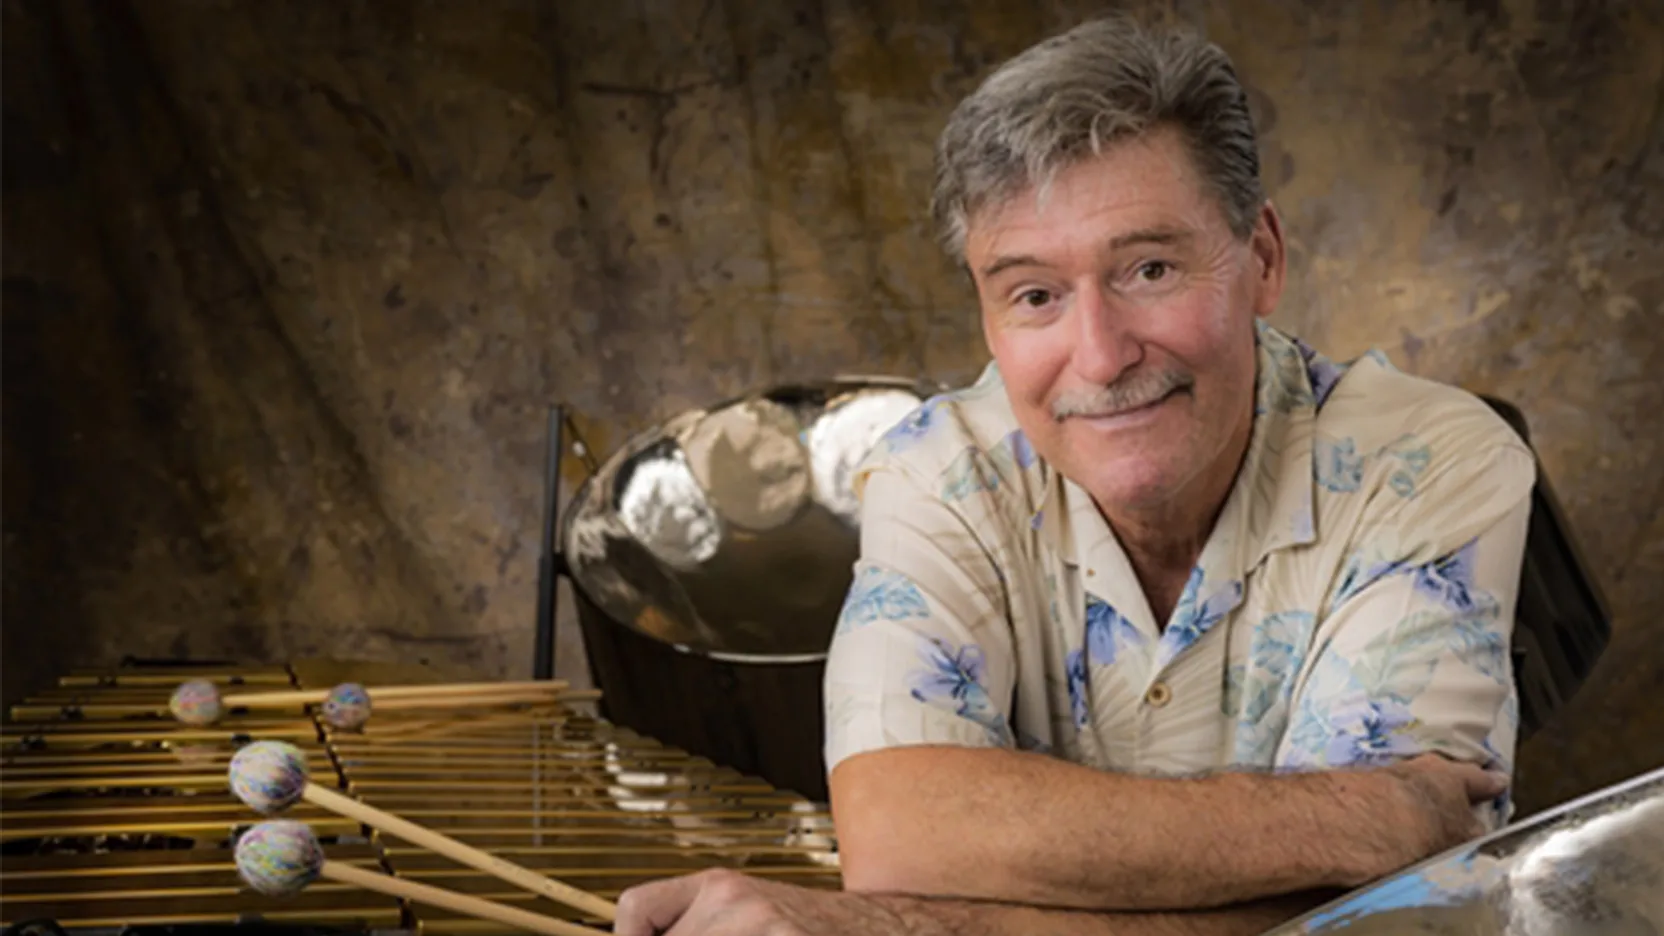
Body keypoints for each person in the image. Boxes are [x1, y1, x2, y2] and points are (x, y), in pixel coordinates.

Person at [615, 14, 1532, 935]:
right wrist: (1358, 817)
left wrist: (899, 927)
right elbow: (899, 838)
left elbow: (1387, 921)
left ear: (1261, 259)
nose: (1098, 357)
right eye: (1036, 296)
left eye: (1150, 267)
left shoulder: (1429, 461)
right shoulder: (938, 473)